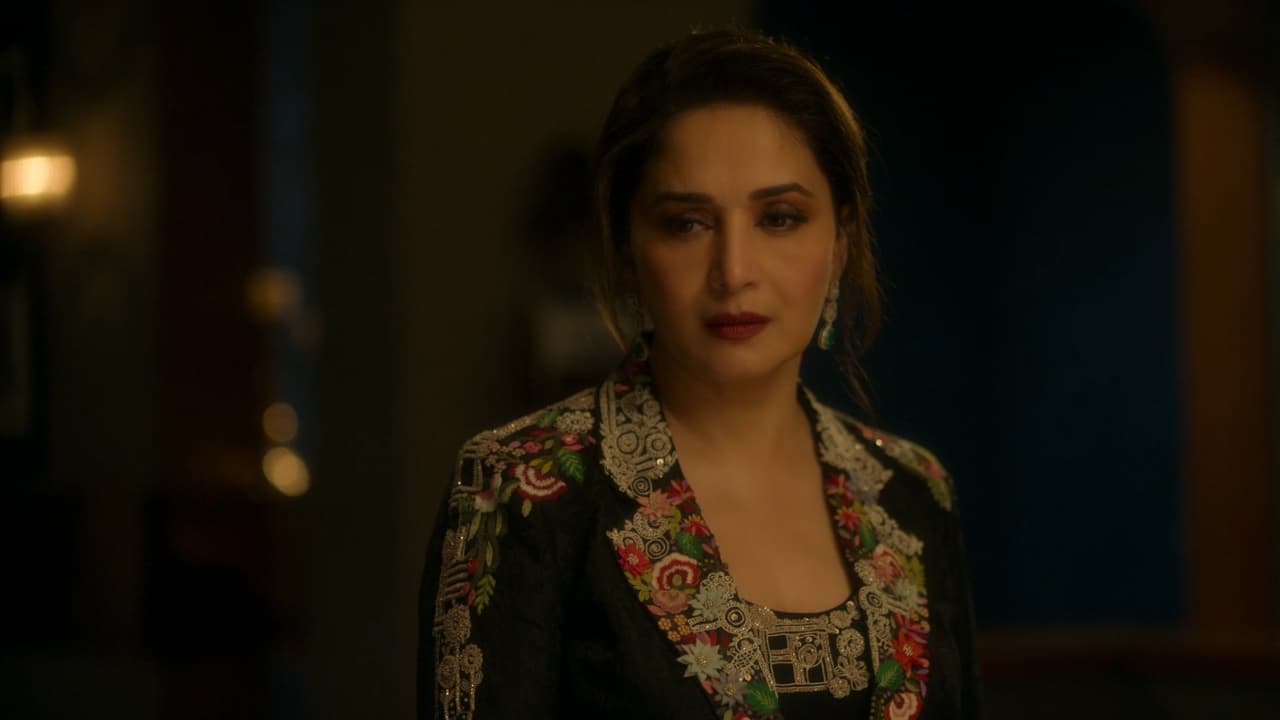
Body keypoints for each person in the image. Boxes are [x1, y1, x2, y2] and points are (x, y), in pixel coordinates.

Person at [417, 29, 982, 720]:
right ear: (627, 249)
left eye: (780, 218)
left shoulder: (912, 492)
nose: (733, 271)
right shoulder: (522, 489)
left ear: (840, 240)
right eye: (687, 224)